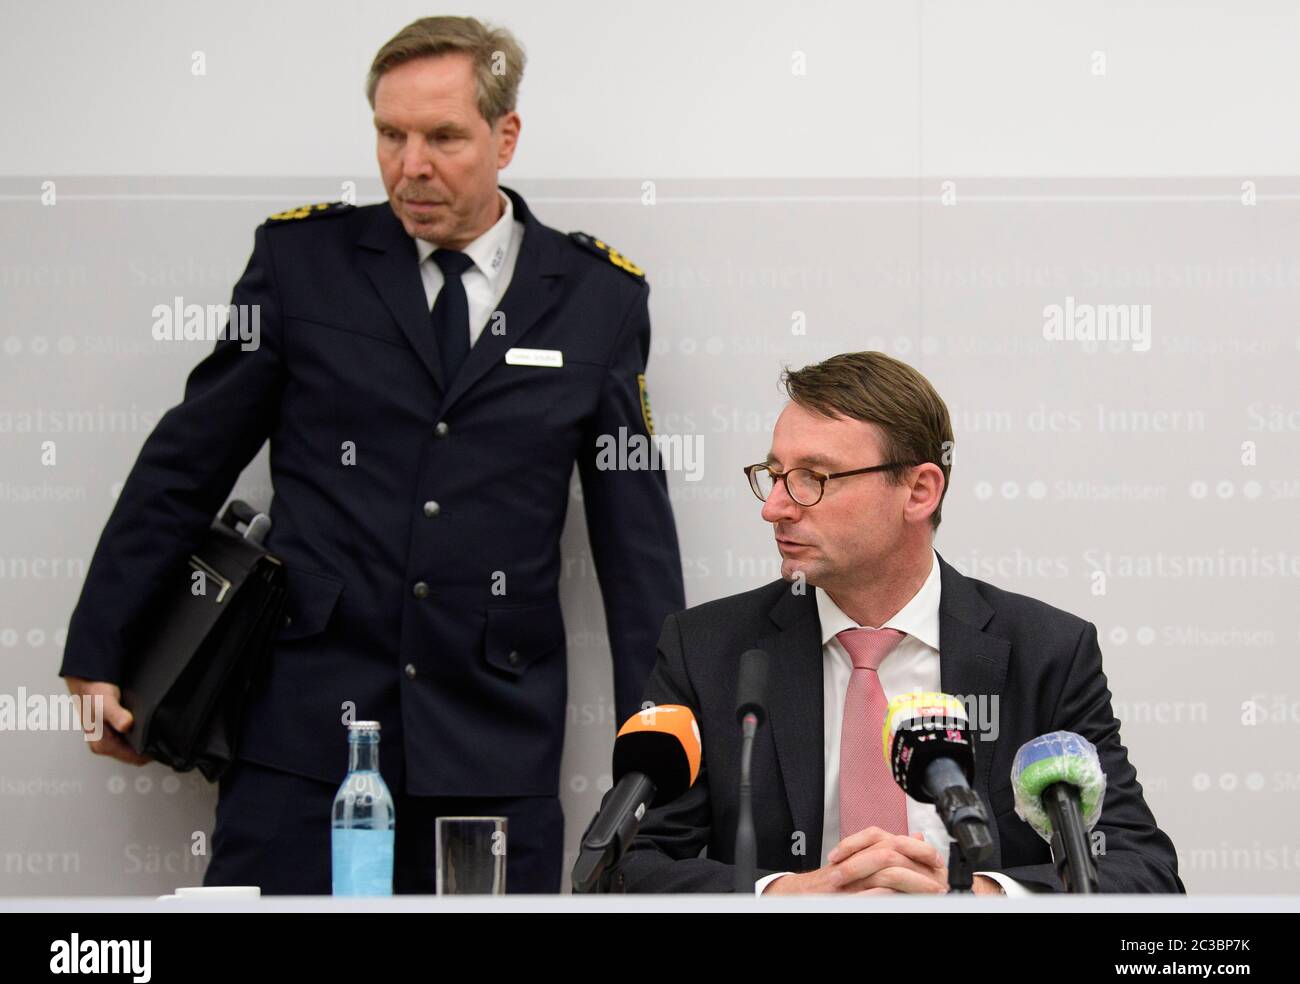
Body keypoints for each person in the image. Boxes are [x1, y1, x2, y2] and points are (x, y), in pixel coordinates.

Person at [59, 16, 684, 894]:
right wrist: (102, 646)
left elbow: (637, 549)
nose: (410, 165)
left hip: (491, 746)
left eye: (442, 136)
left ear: (506, 137)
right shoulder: (300, 263)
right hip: (300, 734)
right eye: (390, 134)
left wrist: (657, 752)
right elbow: (185, 461)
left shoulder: (597, 299)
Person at [617, 351, 1182, 894]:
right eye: (774, 475)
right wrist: (783, 894)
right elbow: (625, 864)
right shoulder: (708, 649)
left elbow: (1141, 869)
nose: (775, 507)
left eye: (813, 477)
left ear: (919, 490)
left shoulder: (1046, 653)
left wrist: (972, 894)